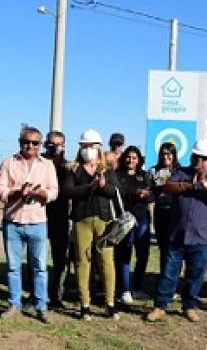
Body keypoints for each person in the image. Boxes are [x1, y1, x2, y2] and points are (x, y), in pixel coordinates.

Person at [146, 139, 207, 322]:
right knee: (168, 273)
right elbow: (168, 187)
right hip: (176, 235)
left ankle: (189, 306)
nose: (199, 161)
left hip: (201, 238)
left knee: (195, 274)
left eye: (203, 158)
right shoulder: (180, 173)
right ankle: (160, 306)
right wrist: (189, 184)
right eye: (196, 157)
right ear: (192, 156)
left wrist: (204, 184)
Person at [0, 126, 59, 323]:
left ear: (40, 145)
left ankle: (41, 307)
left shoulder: (47, 165)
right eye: (26, 142)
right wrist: (17, 192)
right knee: (13, 267)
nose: (30, 146)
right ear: (20, 142)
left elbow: (54, 191)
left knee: (39, 267)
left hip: (37, 222)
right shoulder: (8, 162)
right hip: (12, 222)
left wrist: (40, 193)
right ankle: (14, 304)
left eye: (35, 143)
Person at [63, 128, 120, 321]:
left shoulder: (107, 169)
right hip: (81, 220)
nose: (87, 149)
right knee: (82, 260)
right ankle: (84, 304)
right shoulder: (74, 169)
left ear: (99, 147)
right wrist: (89, 188)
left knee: (106, 261)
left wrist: (103, 185)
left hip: (104, 220)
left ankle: (110, 303)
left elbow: (113, 192)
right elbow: (68, 191)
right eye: (84, 146)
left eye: (91, 146)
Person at [115, 146, 154, 304]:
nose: (131, 160)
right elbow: (119, 194)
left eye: (134, 158)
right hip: (125, 220)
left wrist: (147, 195)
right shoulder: (118, 175)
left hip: (143, 219)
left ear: (139, 160)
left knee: (143, 256)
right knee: (124, 255)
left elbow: (152, 196)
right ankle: (124, 290)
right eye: (128, 157)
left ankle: (137, 288)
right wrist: (135, 193)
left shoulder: (144, 176)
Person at [43, 130, 72, 309]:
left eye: (59, 144)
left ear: (64, 146)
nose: (55, 148)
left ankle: (57, 295)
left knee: (61, 259)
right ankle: (36, 293)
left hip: (61, 216)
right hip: (39, 215)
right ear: (46, 144)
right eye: (51, 144)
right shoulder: (39, 163)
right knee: (37, 258)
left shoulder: (69, 167)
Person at [150, 142, 180, 276]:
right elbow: (151, 191)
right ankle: (163, 277)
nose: (165, 156)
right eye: (162, 154)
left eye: (168, 154)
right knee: (163, 247)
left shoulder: (180, 171)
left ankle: (174, 279)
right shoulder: (154, 171)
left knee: (175, 247)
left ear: (174, 155)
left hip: (175, 213)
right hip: (160, 212)